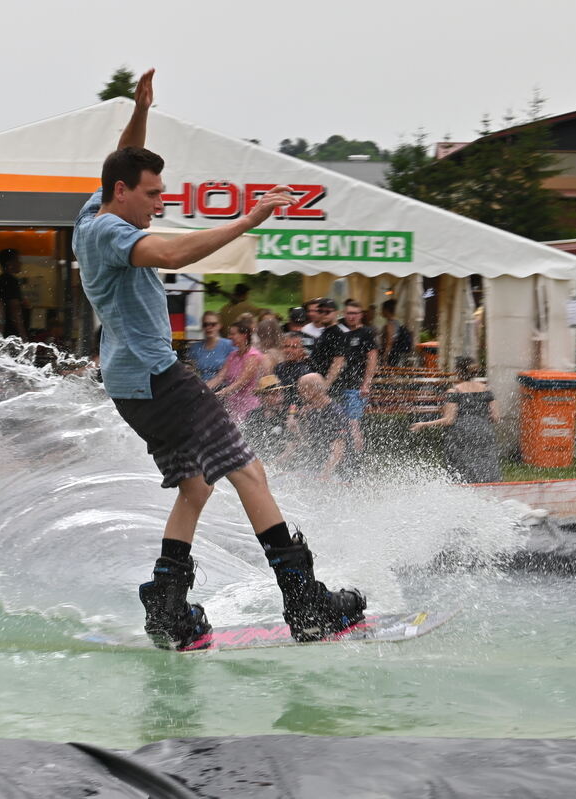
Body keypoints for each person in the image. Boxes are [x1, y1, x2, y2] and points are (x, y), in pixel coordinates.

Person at [71, 68, 363, 649]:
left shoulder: (91, 214)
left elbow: (120, 159)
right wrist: (253, 216)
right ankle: (307, 604)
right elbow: (177, 250)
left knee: (197, 486)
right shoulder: (111, 232)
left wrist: (140, 111)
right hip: (159, 379)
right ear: (124, 193)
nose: (159, 203)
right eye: (152, 194)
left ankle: (167, 608)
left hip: (130, 386)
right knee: (248, 472)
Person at [409, 356, 501, 483]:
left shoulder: (454, 391)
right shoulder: (487, 390)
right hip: (484, 431)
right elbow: (496, 417)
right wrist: (479, 421)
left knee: (461, 471)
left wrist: (424, 424)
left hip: (461, 435)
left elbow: (449, 420)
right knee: (486, 466)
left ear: (458, 371)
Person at [276, 373, 349, 481]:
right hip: (314, 469)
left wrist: (324, 474)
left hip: (337, 474)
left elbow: (338, 451)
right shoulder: (312, 411)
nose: (300, 396)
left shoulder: (335, 413)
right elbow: (308, 444)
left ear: (311, 391)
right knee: (279, 479)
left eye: (301, 391)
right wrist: (295, 429)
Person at [332, 300, 379, 455]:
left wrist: (366, 384)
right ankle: (342, 458)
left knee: (353, 424)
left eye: (355, 313)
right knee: (339, 425)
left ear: (361, 315)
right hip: (339, 387)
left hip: (355, 387)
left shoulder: (366, 333)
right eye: (349, 313)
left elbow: (372, 359)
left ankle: (357, 459)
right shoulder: (340, 331)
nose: (351, 317)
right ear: (344, 314)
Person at [206, 323, 266, 423]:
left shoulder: (253, 356)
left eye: (233, 334)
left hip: (251, 407)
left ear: (244, 335)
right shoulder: (232, 355)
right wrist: (203, 388)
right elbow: (219, 377)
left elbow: (242, 382)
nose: (229, 337)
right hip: (233, 405)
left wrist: (221, 393)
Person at [185, 310, 235, 382]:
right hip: (200, 385)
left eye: (213, 324)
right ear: (202, 327)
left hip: (222, 387)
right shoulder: (195, 347)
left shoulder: (229, 345)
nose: (209, 327)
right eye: (205, 324)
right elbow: (192, 370)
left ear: (220, 326)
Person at [0, 249, 28, 340]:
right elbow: (14, 309)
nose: (20, 263)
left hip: (0, 329)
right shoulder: (11, 282)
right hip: (11, 332)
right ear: (9, 264)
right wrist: (23, 335)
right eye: (17, 260)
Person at [274, 331, 315, 406]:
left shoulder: (305, 371)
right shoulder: (278, 368)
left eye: (294, 347)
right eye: (286, 346)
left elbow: (309, 399)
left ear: (301, 350)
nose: (289, 350)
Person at [380, 298, 413, 367]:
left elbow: (389, 343)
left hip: (392, 357)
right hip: (398, 356)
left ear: (386, 310)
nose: (381, 311)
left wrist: (384, 358)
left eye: (382, 309)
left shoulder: (389, 325)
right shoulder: (397, 323)